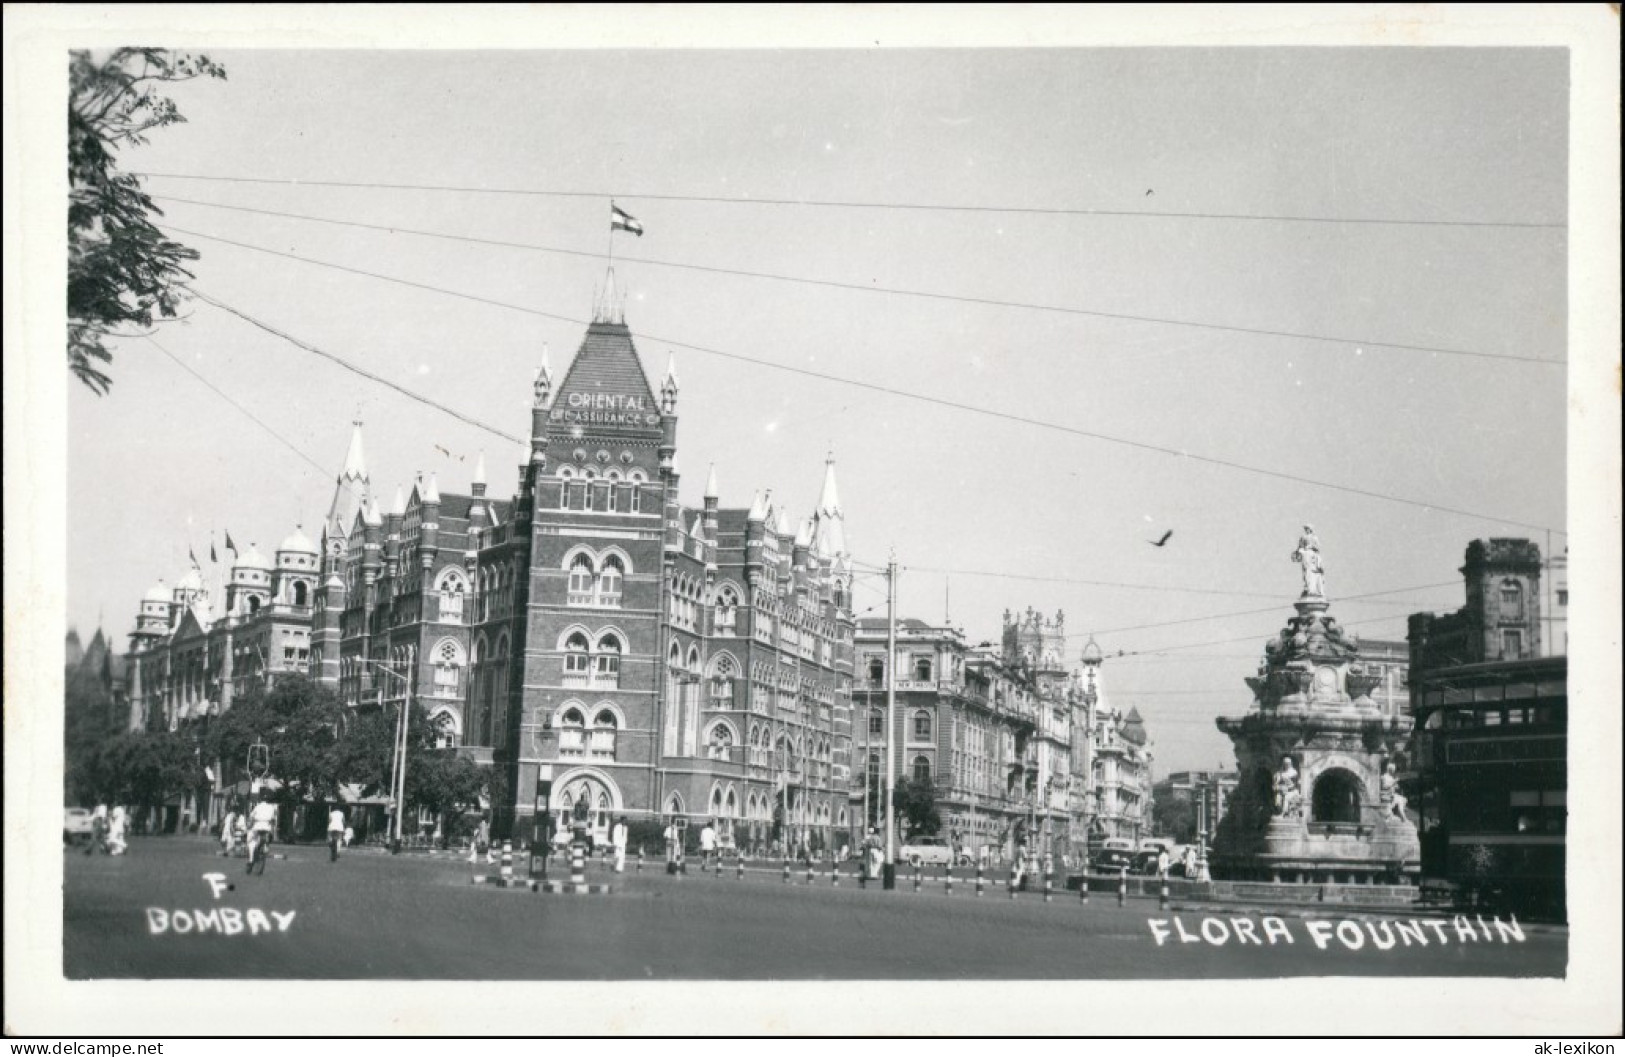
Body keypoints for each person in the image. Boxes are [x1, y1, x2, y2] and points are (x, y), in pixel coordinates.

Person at [245, 793, 279, 874]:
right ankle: (266, 846)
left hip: (257, 826)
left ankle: (251, 860)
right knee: (268, 838)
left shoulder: (258, 806)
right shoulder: (271, 807)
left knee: (251, 842)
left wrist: (249, 824)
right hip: (267, 827)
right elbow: (274, 819)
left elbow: (251, 817)